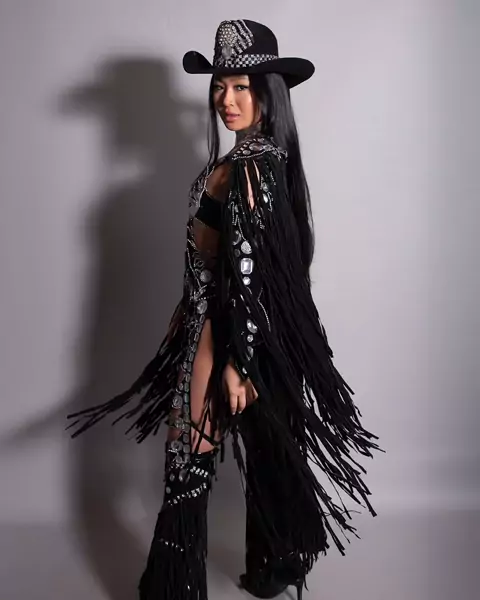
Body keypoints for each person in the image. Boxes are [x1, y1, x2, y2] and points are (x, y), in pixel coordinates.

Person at [66, 19, 382, 600]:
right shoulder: (241, 163)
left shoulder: (254, 168)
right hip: (214, 328)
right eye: (219, 86)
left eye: (241, 86)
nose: (226, 99)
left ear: (268, 93)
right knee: (244, 451)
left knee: (189, 457)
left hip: (229, 336)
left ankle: (178, 588)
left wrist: (240, 361)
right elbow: (219, 262)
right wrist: (185, 310)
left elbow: (255, 275)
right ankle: (269, 565)